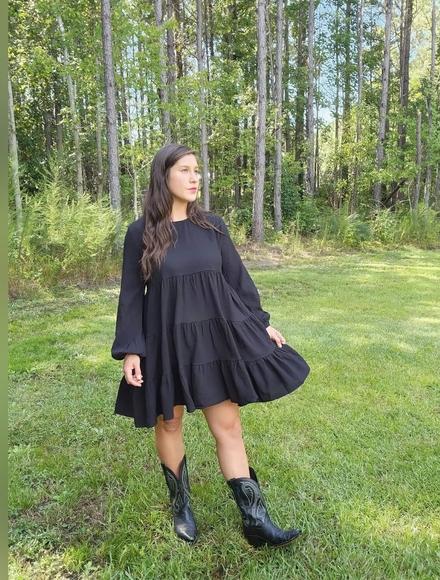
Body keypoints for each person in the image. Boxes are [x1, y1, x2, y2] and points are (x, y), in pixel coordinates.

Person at [111, 143, 310, 547]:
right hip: (164, 340)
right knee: (170, 421)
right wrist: (132, 349)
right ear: (163, 176)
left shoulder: (212, 226)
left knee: (228, 424)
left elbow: (237, 281)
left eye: (196, 170)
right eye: (184, 170)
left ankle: (256, 521)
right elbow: (131, 295)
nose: (194, 178)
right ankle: (181, 506)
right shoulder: (140, 233)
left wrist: (261, 324)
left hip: (213, 341)